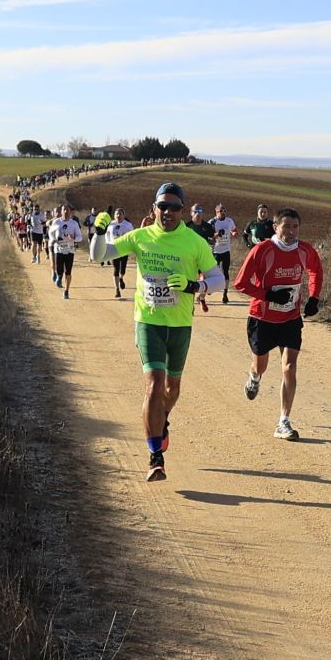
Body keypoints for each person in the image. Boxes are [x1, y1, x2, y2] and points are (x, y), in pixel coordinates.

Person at [111, 182, 221, 482]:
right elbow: (102, 254)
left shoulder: (194, 242)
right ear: (154, 208)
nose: (168, 212)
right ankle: (155, 456)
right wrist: (99, 232)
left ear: (182, 211)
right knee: (154, 386)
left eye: (174, 207)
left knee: (172, 390)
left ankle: (163, 420)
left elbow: (219, 278)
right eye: (163, 206)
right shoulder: (141, 236)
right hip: (148, 321)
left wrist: (196, 286)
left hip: (181, 324)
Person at [232, 207, 324, 440]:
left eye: (295, 227)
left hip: (290, 318)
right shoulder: (262, 250)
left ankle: (283, 421)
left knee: (289, 367)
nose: (291, 231)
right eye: (286, 226)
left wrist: (314, 297)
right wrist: (268, 296)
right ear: (276, 227)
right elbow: (240, 283)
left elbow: (316, 271)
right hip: (262, 318)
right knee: (260, 366)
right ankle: (254, 378)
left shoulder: (305, 250)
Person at [46, 203, 84, 298]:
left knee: (68, 271)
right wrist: (54, 239)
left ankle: (66, 291)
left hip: (70, 250)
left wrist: (73, 238)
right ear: (61, 211)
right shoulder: (56, 222)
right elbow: (50, 233)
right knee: (59, 270)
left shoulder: (74, 224)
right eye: (64, 210)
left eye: (68, 210)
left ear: (71, 212)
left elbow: (80, 237)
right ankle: (59, 276)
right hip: (58, 250)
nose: (66, 211)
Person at [206, 203, 238, 304]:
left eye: (224, 211)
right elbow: (208, 237)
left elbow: (234, 229)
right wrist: (217, 234)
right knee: (212, 271)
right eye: (221, 211)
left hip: (226, 251)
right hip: (215, 251)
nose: (223, 213)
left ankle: (225, 294)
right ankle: (210, 288)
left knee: (225, 272)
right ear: (216, 212)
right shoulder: (212, 222)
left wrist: (234, 233)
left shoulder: (229, 221)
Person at [105, 207, 134, 299]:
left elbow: (132, 237)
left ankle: (121, 278)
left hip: (124, 250)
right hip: (114, 249)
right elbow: (107, 236)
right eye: (117, 214)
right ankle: (117, 290)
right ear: (114, 215)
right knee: (115, 269)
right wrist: (107, 246)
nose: (118, 215)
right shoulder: (110, 225)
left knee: (123, 270)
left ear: (124, 215)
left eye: (120, 214)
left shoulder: (128, 225)